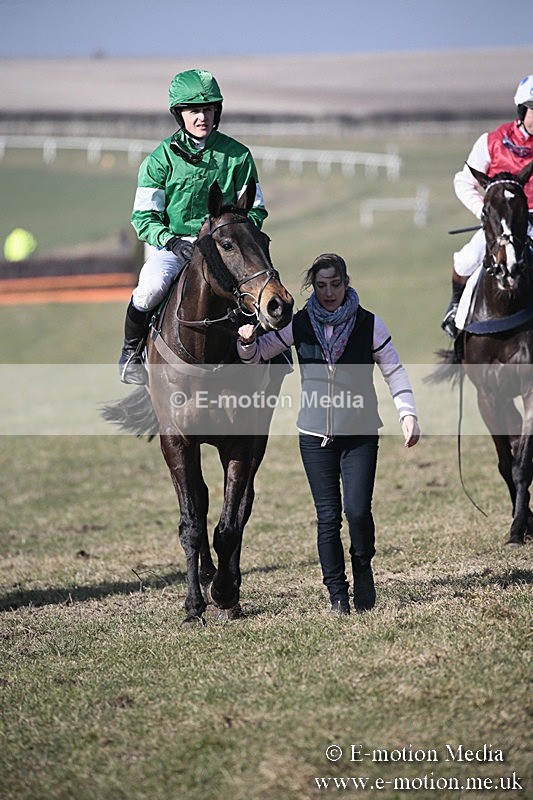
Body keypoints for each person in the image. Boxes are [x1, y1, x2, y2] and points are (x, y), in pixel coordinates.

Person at [237, 253, 420, 615]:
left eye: (335, 284)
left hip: (361, 434)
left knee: (357, 512)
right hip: (313, 435)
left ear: (346, 283)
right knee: (328, 517)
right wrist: (245, 342)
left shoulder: (370, 324)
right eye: (321, 286)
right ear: (313, 287)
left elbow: (394, 370)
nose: (329, 292)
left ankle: (363, 568)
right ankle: (337, 594)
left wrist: (407, 413)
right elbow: (258, 355)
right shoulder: (299, 324)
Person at [119, 68, 268, 383]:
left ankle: (273, 353)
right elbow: (143, 217)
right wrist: (171, 242)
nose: (202, 117)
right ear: (179, 115)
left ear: (218, 111)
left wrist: (236, 233)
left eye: (208, 109)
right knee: (149, 291)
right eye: (194, 110)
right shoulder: (159, 161)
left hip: (226, 244)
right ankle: (131, 353)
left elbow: (256, 208)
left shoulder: (239, 156)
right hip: (174, 245)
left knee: (261, 286)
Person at [442, 73, 533, 337]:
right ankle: (455, 309)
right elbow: (464, 181)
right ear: (522, 109)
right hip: (500, 225)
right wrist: (486, 214)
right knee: (465, 260)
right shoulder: (491, 141)